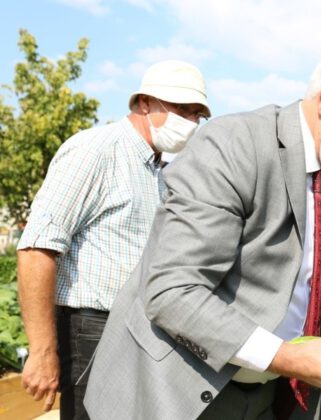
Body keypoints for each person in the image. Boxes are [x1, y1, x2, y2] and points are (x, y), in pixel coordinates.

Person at [83, 32, 321, 420]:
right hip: (181, 387)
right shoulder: (234, 144)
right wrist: (285, 357)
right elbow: (172, 290)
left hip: (269, 391)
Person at [15, 59, 209, 420]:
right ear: (145, 103)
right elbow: (36, 248)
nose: (191, 121)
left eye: (197, 113)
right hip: (92, 330)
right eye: (183, 109)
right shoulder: (96, 151)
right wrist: (42, 351)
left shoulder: (159, 172)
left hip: (138, 330)